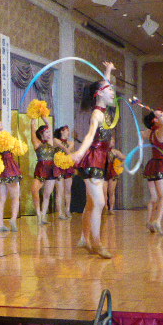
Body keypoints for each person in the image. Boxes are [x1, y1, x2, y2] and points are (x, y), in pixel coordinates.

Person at [72, 61, 116, 259]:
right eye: (109, 90)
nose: (112, 92)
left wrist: (107, 71)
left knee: (92, 204)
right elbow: (90, 136)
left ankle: (84, 238)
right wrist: (80, 153)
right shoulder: (97, 114)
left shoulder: (105, 112)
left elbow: (104, 87)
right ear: (99, 94)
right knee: (99, 202)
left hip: (102, 159)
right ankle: (97, 243)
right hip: (93, 159)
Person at [142, 109, 163, 235]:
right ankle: (157, 221)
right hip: (162, 165)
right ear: (155, 120)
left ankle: (149, 221)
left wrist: (155, 116)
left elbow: (141, 133)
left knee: (154, 197)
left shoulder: (150, 132)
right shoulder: (160, 130)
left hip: (153, 165)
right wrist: (157, 116)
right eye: (162, 115)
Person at [31, 115, 60, 225]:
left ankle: (43, 216)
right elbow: (33, 128)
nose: (49, 134)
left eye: (49, 132)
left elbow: (49, 125)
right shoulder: (37, 143)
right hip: (41, 168)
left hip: (51, 168)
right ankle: (38, 214)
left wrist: (43, 115)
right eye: (46, 132)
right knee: (34, 190)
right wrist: (34, 116)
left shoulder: (50, 143)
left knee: (47, 194)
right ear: (41, 134)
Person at [53, 125, 75, 220]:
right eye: (66, 130)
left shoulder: (71, 142)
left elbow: (69, 151)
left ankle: (67, 210)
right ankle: (60, 212)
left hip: (67, 166)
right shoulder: (55, 140)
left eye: (69, 131)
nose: (68, 133)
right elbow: (64, 149)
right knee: (60, 191)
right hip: (58, 166)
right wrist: (68, 151)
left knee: (68, 190)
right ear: (61, 131)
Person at [103, 135, 126, 214]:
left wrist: (119, 165)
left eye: (113, 140)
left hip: (112, 173)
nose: (113, 142)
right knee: (104, 192)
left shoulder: (115, 151)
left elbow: (125, 158)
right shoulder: (102, 151)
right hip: (103, 173)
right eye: (111, 140)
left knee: (111, 192)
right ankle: (105, 208)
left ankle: (111, 209)